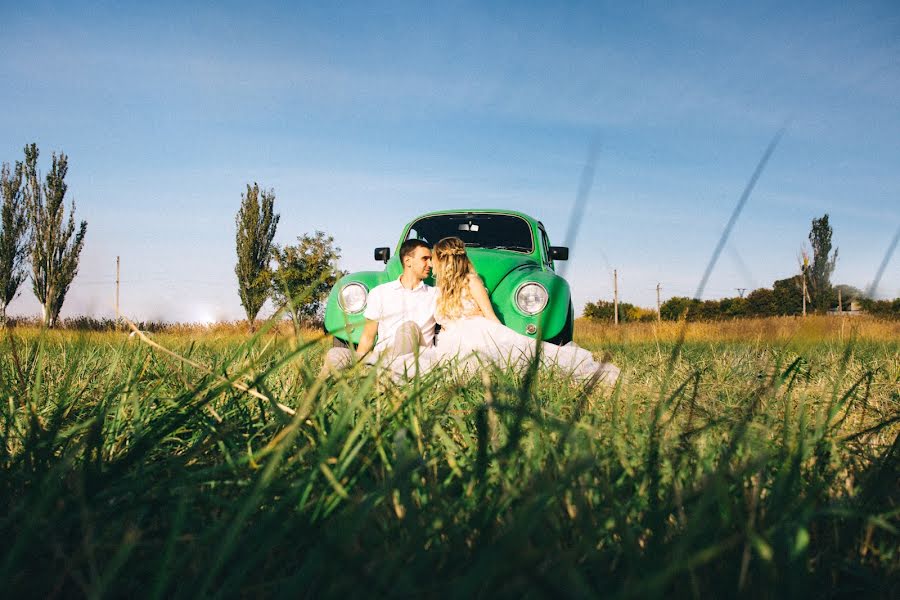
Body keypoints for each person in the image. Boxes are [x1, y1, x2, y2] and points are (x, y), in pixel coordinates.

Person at [388, 236, 619, 386]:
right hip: (450, 340)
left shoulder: (472, 281)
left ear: (445, 261)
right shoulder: (438, 290)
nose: (431, 264)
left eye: (434, 259)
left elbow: (490, 316)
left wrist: (505, 339)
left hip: (476, 334)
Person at [321, 238, 438, 374]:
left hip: (416, 362)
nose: (430, 264)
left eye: (431, 259)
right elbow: (368, 336)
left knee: (408, 328)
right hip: (381, 359)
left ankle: (389, 379)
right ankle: (316, 392)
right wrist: (358, 364)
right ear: (408, 261)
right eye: (425, 258)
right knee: (335, 354)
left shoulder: (435, 294)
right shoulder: (380, 292)